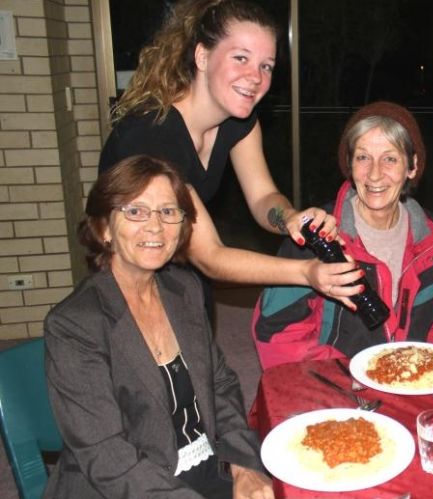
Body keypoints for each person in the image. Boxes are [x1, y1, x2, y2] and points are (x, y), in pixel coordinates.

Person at [99, 0, 362, 303]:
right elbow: (210, 256)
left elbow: (263, 197)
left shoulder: (240, 122)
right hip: (127, 280)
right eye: (241, 58)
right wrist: (306, 273)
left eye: (266, 66)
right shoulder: (152, 136)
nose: (256, 77)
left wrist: (290, 217)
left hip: (179, 272)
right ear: (202, 56)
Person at [44, 156, 273, 498]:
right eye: (136, 211)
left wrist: (244, 466)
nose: (155, 227)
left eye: (168, 212)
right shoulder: (75, 325)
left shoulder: (184, 289)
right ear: (105, 227)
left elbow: (219, 384)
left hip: (203, 466)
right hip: (125, 487)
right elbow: (106, 456)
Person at [251, 102, 433, 367]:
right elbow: (277, 334)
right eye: (362, 157)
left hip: (414, 385)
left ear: (412, 167)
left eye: (390, 158)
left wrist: (428, 372)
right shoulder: (316, 239)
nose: (374, 174)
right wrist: (351, 377)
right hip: (335, 391)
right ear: (350, 164)